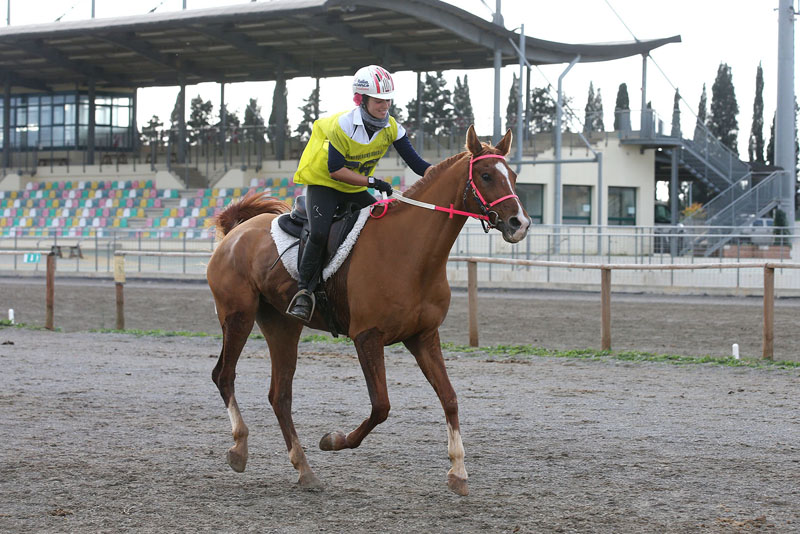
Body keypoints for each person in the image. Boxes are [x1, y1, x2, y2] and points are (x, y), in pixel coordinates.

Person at [286, 64, 431, 322]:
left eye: (387, 100)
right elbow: (335, 170)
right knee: (319, 233)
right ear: (360, 99)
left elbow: (418, 165)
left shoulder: (393, 128)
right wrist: (373, 181)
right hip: (325, 186)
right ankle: (304, 293)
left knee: (382, 225)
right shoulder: (342, 126)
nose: (384, 106)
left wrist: (450, 172)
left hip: (354, 187)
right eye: (378, 101)